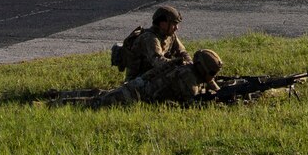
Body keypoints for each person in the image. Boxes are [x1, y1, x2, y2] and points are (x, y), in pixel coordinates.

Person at [90, 49, 222, 107]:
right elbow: (193, 103)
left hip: (138, 88)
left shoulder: (189, 68)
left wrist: (216, 87)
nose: (213, 76)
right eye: (212, 72)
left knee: (100, 96)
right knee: (96, 103)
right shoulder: (188, 78)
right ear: (202, 68)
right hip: (135, 95)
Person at [114, 5, 187, 78]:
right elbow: (158, 61)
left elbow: (182, 52)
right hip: (139, 80)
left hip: (154, 74)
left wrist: (190, 63)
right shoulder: (149, 38)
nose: (177, 28)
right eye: (174, 24)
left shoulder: (170, 35)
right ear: (162, 24)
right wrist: (180, 64)